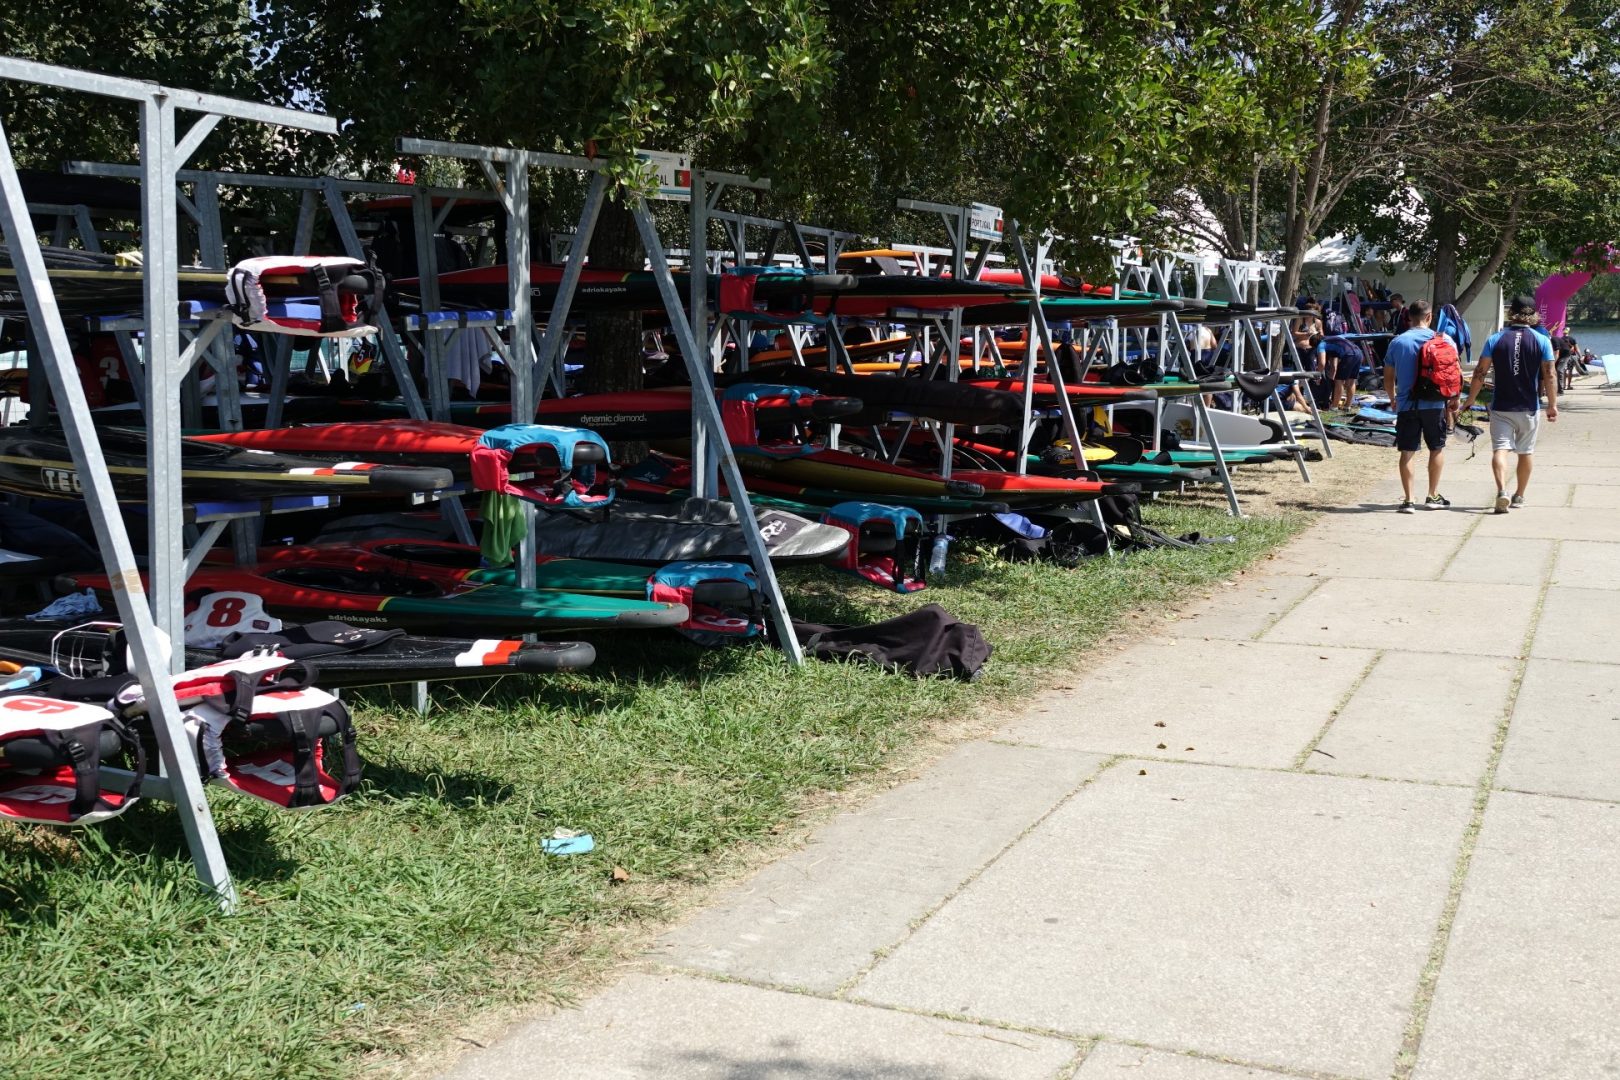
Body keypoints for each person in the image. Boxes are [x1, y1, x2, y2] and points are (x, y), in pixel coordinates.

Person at [1460, 294, 1557, 513]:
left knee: (1500, 450)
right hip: (1528, 407)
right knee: (1526, 452)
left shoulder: (1495, 339)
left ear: (1511, 312)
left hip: (1501, 406)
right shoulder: (1542, 340)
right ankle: (1519, 496)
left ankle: (1502, 490)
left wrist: (1471, 399)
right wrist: (1552, 404)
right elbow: (1550, 374)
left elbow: (1480, 372)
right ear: (1533, 315)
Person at [1383, 299, 1451, 512]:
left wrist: (1393, 398)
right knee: (1436, 449)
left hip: (1407, 404)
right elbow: (1452, 372)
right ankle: (1432, 496)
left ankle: (1409, 500)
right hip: (1435, 403)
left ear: (1408, 317)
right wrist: (1454, 399)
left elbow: (1388, 378)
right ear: (1429, 317)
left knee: (1407, 452)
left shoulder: (1397, 342)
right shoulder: (1443, 339)